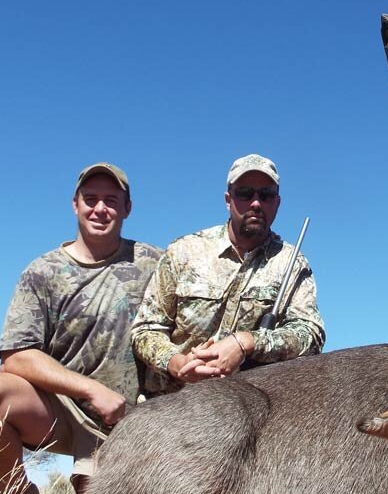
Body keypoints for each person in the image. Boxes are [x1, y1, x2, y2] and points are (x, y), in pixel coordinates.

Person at [0, 163, 163, 494]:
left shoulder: (155, 262)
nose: (100, 209)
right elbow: (15, 357)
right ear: (75, 205)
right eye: (91, 199)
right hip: (61, 410)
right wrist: (88, 390)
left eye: (111, 201)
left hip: (129, 419)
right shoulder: (42, 271)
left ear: (127, 208)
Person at [132, 154, 324, 394]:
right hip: (170, 404)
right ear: (228, 199)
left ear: (277, 203)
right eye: (245, 194)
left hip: (246, 408)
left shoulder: (293, 264)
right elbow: (146, 329)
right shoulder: (184, 251)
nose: (256, 203)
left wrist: (246, 342)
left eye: (265, 195)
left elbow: (310, 335)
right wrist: (176, 363)